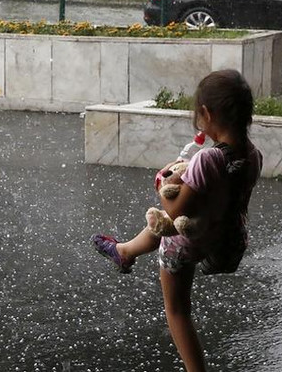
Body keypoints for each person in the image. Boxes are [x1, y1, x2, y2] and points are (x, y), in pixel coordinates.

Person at [91, 69, 263, 371]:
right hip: (228, 241)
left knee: (178, 309)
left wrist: (162, 181)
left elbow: (173, 211)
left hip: (190, 245)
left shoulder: (207, 159)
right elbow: (222, 196)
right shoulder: (253, 155)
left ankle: (124, 253)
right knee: (161, 228)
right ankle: (124, 251)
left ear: (206, 114)